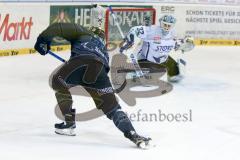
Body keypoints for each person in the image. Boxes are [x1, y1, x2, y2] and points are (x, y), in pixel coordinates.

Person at [34, 21, 153, 149]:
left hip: (80, 63)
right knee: (113, 108)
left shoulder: (83, 32)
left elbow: (59, 27)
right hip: (99, 72)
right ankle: (132, 134)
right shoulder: (104, 50)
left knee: (57, 82)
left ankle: (69, 124)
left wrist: (42, 40)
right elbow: (100, 69)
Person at [120, 14, 195, 82]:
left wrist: (183, 45)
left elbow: (174, 44)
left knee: (176, 74)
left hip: (163, 58)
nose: (166, 27)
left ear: (172, 26)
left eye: (169, 25)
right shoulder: (151, 30)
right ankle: (136, 71)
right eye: (165, 24)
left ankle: (170, 72)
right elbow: (134, 30)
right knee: (150, 78)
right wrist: (129, 41)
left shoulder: (173, 33)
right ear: (160, 23)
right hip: (146, 59)